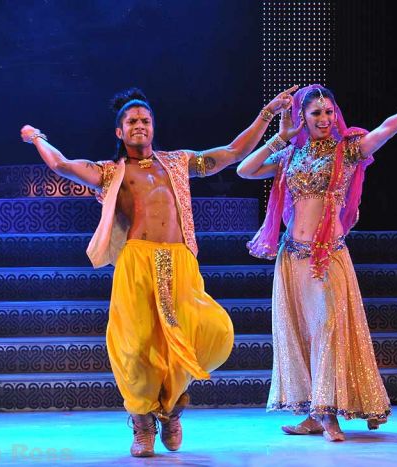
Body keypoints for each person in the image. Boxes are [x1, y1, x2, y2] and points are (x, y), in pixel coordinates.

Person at [20, 86, 296, 457]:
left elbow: (232, 153)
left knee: (208, 331)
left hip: (180, 261)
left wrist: (268, 115)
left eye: (145, 120)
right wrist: (37, 137)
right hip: (137, 261)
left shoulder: (179, 162)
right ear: (119, 131)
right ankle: (142, 421)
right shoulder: (110, 173)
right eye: (132, 121)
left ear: (153, 127)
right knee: (136, 345)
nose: (139, 125)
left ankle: (172, 408)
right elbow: (62, 166)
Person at [237, 65, 397, 442]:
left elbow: (383, 131)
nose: (324, 118)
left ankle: (328, 416)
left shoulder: (349, 149)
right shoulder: (290, 155)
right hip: (292, 257)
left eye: (328, 111)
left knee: (327, 329)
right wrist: (280, 136)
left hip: (327, 256)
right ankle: (312, 414)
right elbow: (245, 169)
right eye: (315, 113)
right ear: (302, 117)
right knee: (301, 334)